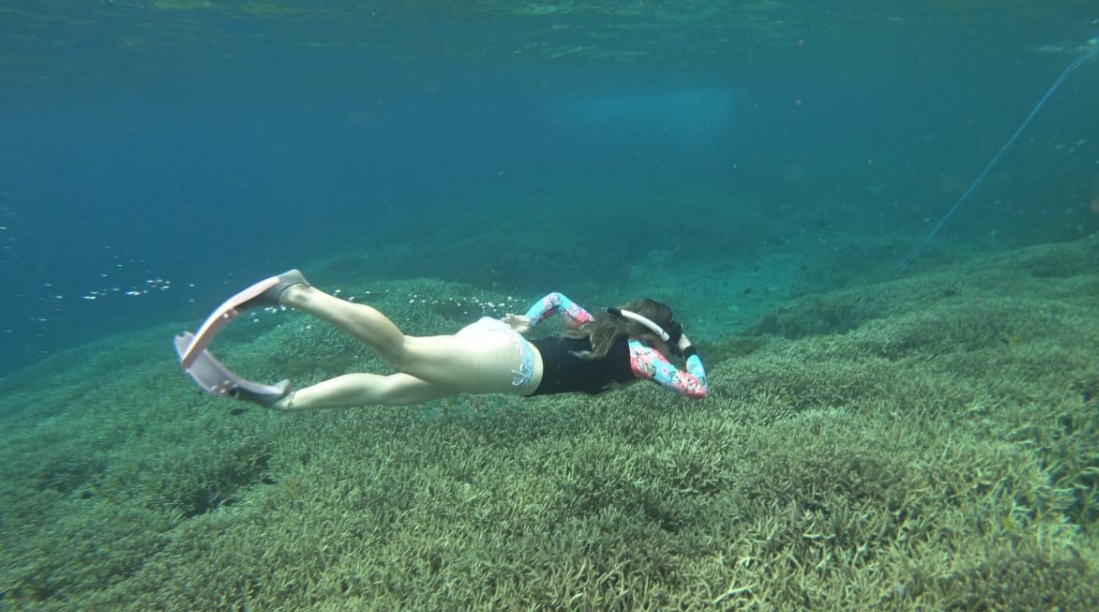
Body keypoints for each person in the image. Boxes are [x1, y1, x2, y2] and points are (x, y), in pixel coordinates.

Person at [174, 270, 708, 411]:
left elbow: (553, 299)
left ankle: (281, 399)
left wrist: (522, 322)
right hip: (507, 368)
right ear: (653, 336)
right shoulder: (639, 356)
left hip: (501, 350)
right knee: (400, 350)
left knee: (392, 390)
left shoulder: (596, 327)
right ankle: (299, 293)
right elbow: (695, 390)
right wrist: (686, 350)